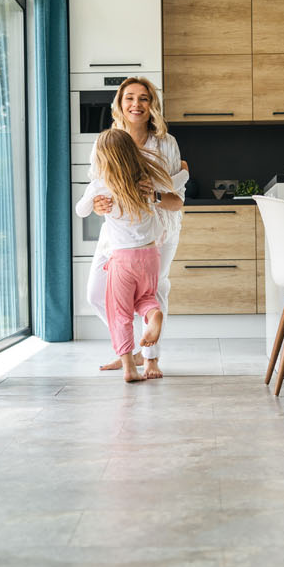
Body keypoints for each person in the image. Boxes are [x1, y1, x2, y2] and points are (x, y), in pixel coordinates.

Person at [86, 77, 187, 378]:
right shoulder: (106, 141)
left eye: (143, 98)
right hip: (117, 232)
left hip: (159, 230)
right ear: (119, 103)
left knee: (157, 291)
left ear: (151, 104)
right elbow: (95, 187)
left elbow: (176, 200)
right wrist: (96, 205)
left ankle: (151, 357)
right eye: (129, 97)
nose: (136, 104)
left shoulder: (166, 144)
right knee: (96, 293)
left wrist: (153, 194)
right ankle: (128, 348)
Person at [76, 129, 177, 382]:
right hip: (151, 255)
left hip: (122, 260)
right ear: (132, 153)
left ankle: (130, 369)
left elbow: (80, 210)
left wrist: (94, 203)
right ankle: (154, 315)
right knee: (145, 299)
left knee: (119, 313)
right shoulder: (146, 179)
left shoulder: (101, 184)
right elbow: (177, 201)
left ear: (102, 156)